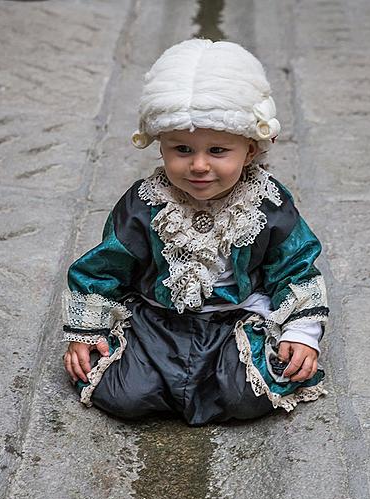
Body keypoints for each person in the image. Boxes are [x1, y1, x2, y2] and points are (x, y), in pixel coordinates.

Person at [62, 38, 329, 426]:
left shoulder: (267, 205)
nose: (199, 165)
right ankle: (155, 373)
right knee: (122, 394)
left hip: (233, 321)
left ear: (250, 151)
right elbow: (106, 267)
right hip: (156, 323)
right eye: (182, 149)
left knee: (245, 395)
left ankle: (216, 377)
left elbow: (296, 268)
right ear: (161, 147)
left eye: (218, 150)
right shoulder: (146, 203)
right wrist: (87, 331)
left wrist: (302, 334)